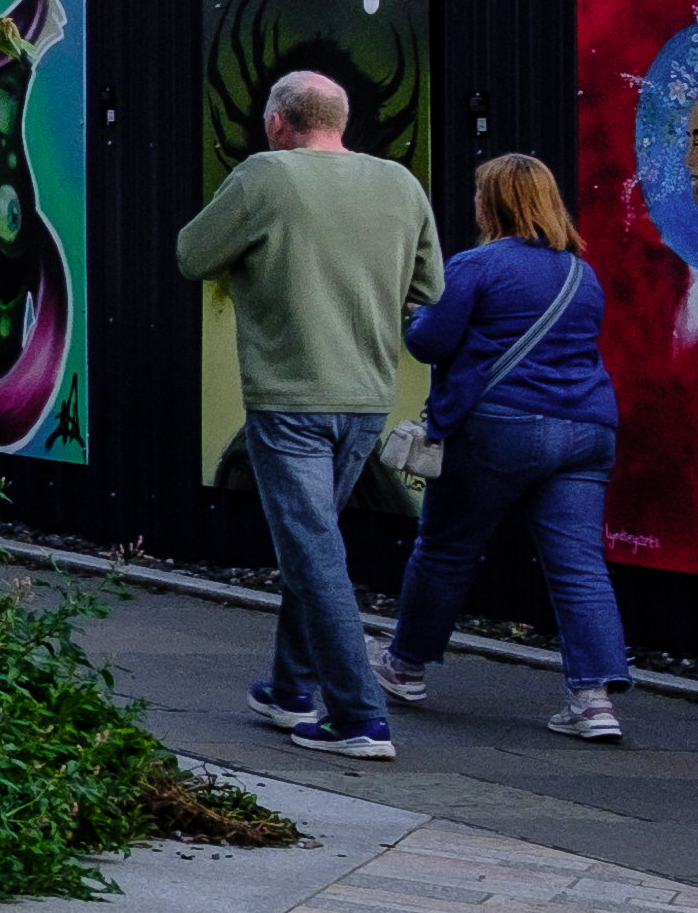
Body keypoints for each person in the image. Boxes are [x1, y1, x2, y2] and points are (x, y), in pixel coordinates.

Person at [176, 66, 442, 761]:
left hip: (289, 396)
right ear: (342, 120)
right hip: (367, 398)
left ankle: (359, 716)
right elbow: (430, 287)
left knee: (313, 548)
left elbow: (191, 254)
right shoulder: (400, 184)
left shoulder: (265, 176)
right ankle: (290, 689)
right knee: (313, 540)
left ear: (277, 122)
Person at [384, 152, 631, 745]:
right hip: (587, 431)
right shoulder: (582, 273)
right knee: (579, 565)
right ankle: (593, 701)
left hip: (502, 428)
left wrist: (415, 314)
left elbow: (431, 344)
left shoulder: (477, 264)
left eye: (478, 194)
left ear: (493, 202)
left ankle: (405, 669)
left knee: (445, 550)